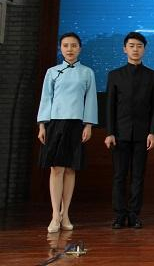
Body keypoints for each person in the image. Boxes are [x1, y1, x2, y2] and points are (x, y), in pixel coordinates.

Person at [37, 32, 98, 233]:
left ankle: (65, 214)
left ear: (80, 48)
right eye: (65, 45)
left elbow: (90, 100)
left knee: (71, 169)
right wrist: (42, 125)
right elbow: (46, 98)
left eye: (73, 45)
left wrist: (88, 125)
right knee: (56, 169)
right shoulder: (52, 72)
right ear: (60, 48)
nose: (69, 49)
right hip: (55, 124)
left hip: (76, 124)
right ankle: (55, 215)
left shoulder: (87, 72)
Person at [104, 32, 154, 229]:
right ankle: (119, 214)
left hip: (143, 134)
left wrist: (153, 132)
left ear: (144, 49)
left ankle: (134, 214)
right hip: (119, 133)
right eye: (131, 45)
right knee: (119, 175)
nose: (135, 49)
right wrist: (109, 132)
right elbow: (109, 106)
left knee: (138, 176)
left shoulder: (152, 76)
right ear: (124, 49)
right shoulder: (115, 75)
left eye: (139, 46)